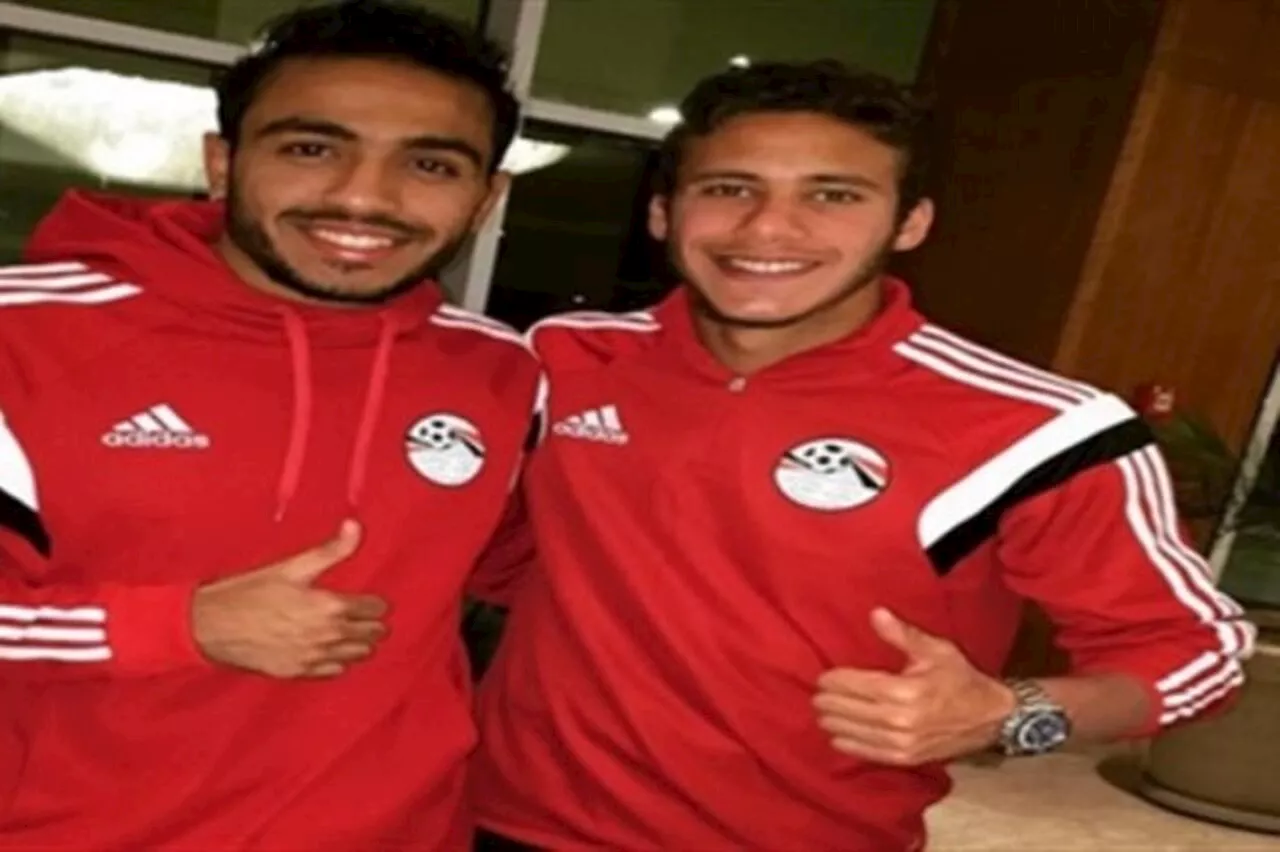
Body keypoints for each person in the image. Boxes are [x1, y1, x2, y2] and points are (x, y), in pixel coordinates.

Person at [468, 60, 1256, 851]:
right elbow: (503, 553)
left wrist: (1007, 713)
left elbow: (1199, 654)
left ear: (910, 223)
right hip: (504, 823)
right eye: (729, 188)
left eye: (833, 195)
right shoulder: (567, 360)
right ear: (663, 212)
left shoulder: (1040, 428)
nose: (767, 228)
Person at [0, 1, 537, 848]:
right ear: (222, 163)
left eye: (430, 164)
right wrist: (177, 625)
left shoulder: (503, 374)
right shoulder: (24, 337)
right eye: (311, 149)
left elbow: (551, 569)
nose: (363, 196)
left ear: (485, 198)